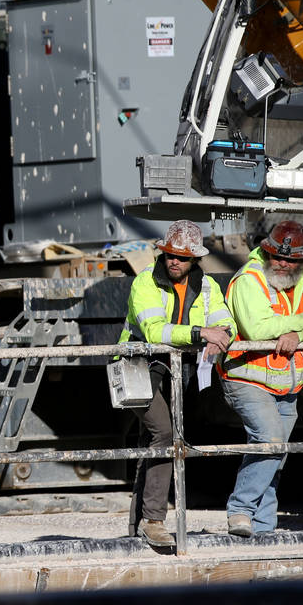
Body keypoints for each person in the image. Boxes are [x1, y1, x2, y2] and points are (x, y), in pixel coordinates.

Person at [219, 220, 303, 537]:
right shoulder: (249, 279)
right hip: (247, 378)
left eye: (290, 260)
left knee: (275, 457)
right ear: (267, 251)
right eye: (276, 256)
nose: (282, 264)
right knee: (271, 442)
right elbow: (257, 329)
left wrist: (297, 333)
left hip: (288, 385)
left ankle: (262, 529)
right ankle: (240, 513)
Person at [118, 220, 235, 548]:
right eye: (169, 255)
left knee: (152, 441)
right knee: (163, 434)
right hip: (136, 367)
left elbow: (224, 320)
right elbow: (156, 332)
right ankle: (154, 522)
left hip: (170, 368)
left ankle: (136, 528)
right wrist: (201, 334)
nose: (174, 261)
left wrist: (221, 335)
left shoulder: (208, 286)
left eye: (182, 258)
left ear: (195, 260)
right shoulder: (145, 283)